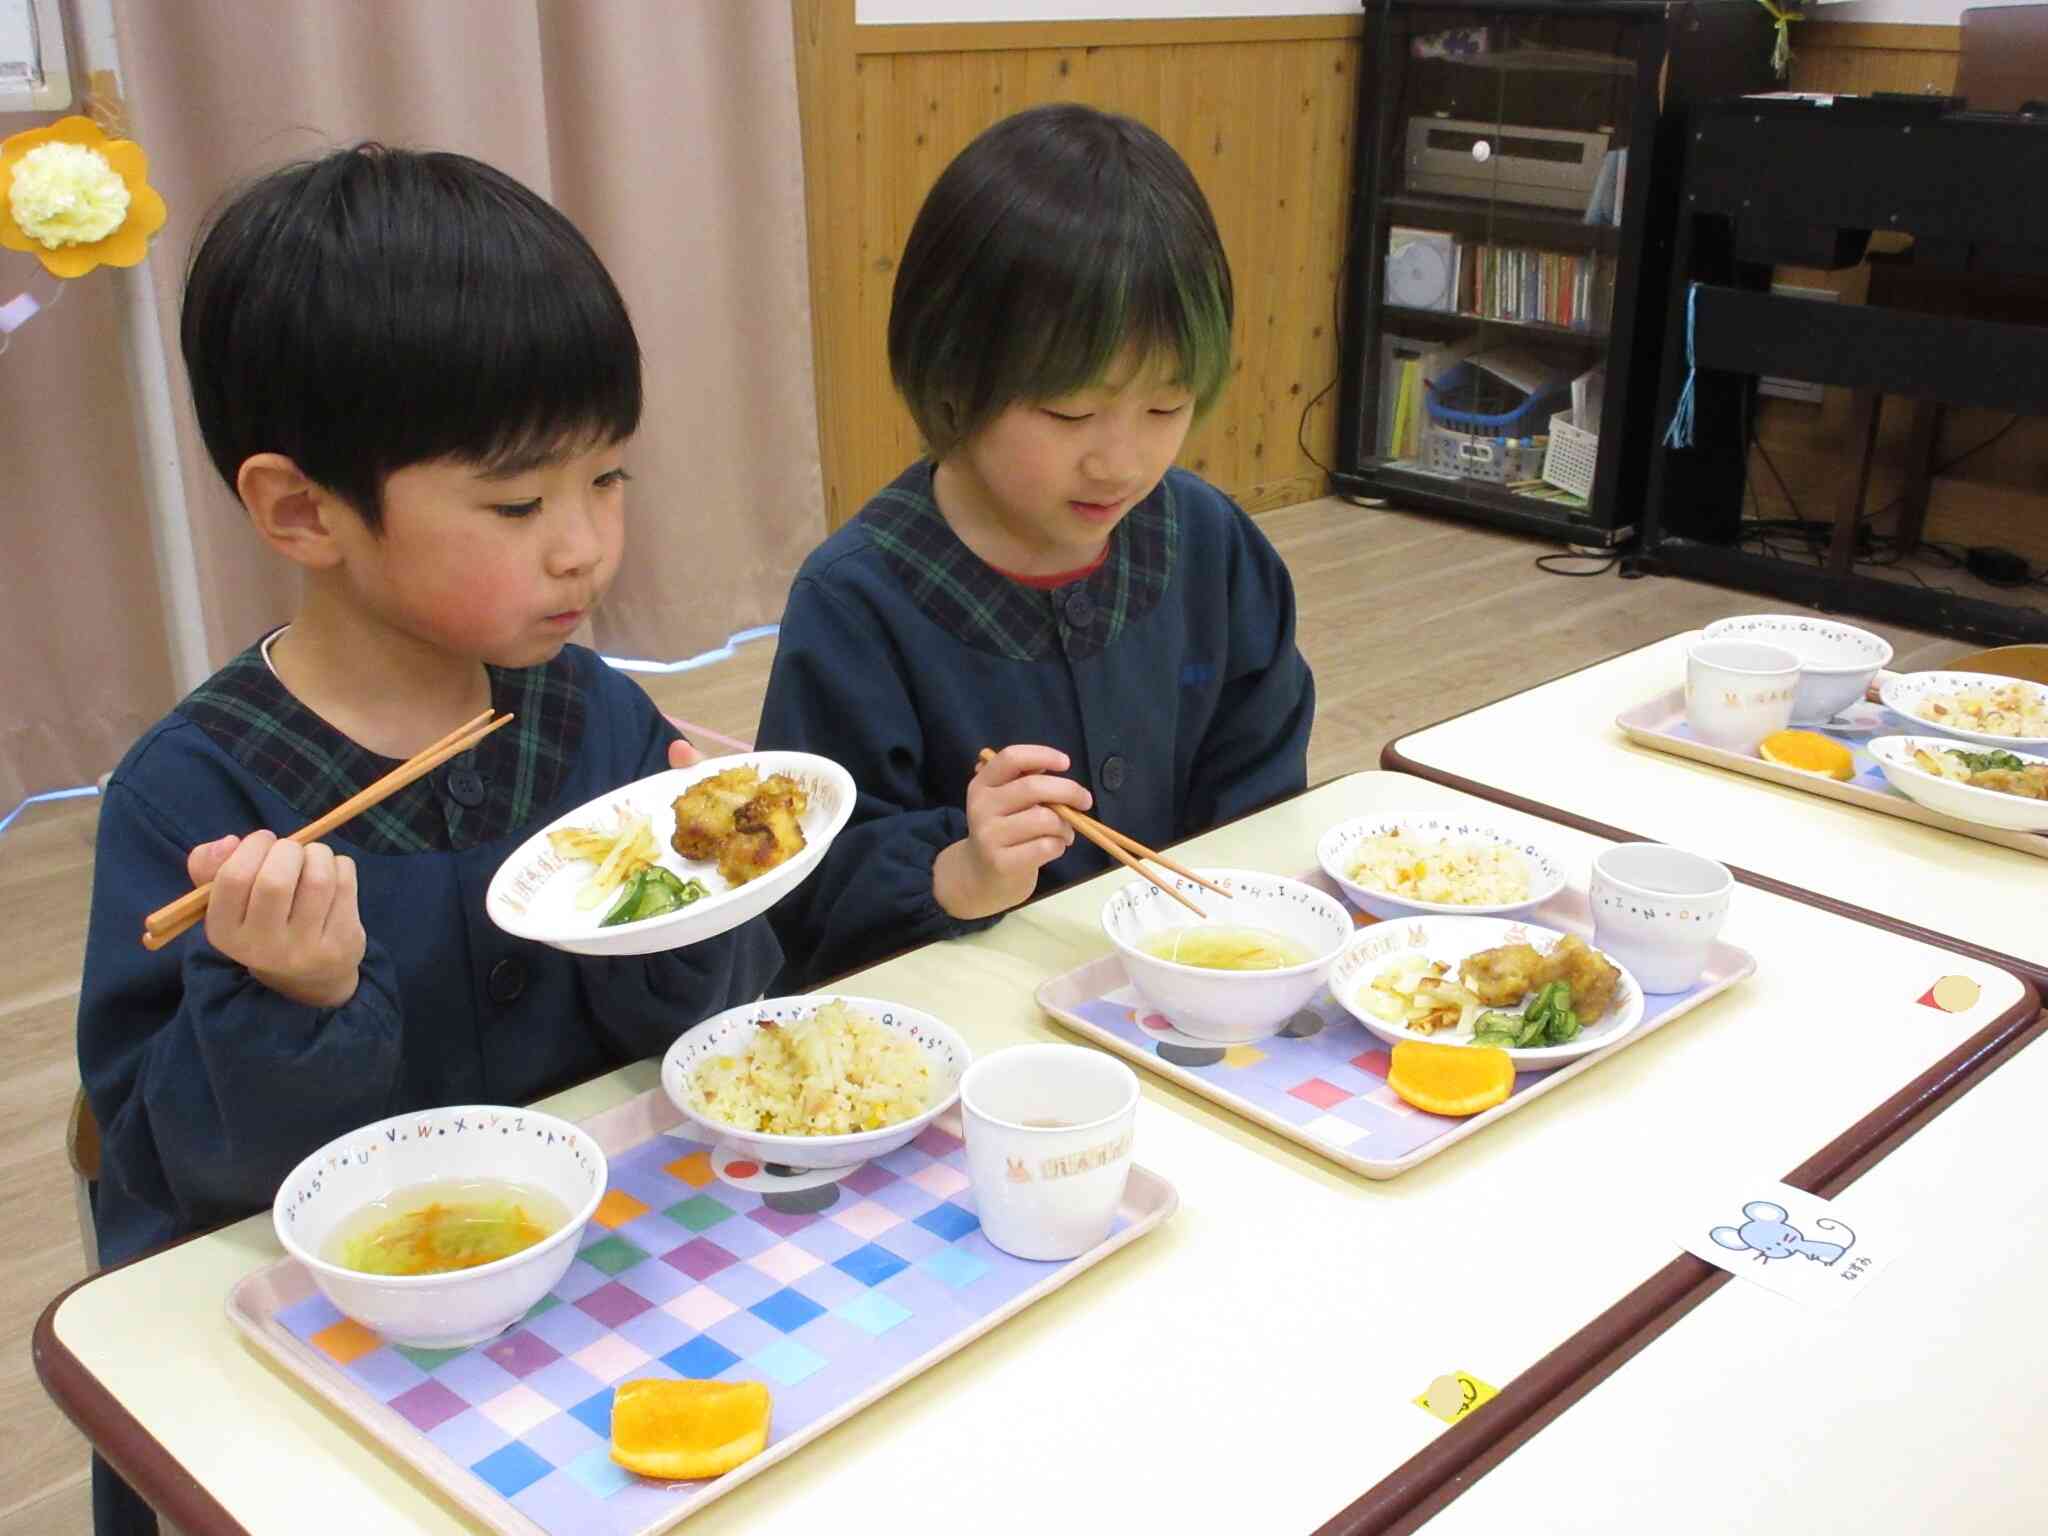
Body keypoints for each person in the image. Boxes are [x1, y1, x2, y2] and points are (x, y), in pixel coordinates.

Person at [76, 145, 779, 1535]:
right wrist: (291, 1000)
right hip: (330, 1372)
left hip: (596, 1310)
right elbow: (174, 1185)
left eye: (608, 480)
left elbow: (701, 1047)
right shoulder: (197, 795)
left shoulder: (590, 717)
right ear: (300, 510)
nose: (584, 547)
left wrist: (693, 897)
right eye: (520, 505)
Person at [757, 103, 1314, 989]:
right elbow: (805, 890)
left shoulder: (1211, 546)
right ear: (953, 373)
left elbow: (1264, 789)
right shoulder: (859, 601)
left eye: (1166, 408)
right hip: (963, 1035)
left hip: (1183, 991)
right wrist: (960, 874)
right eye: (1070, 412)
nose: (1121, 460)